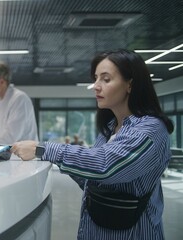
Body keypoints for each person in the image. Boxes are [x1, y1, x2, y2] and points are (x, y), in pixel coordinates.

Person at [11, 49, 174, 239]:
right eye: (95, 78)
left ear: (130, 84)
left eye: (105, 79)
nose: (96, 86)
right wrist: (56, 162)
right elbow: (93, 180)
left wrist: (43, 150)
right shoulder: (110, 128)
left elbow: (105, 166)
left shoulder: (150, 129)